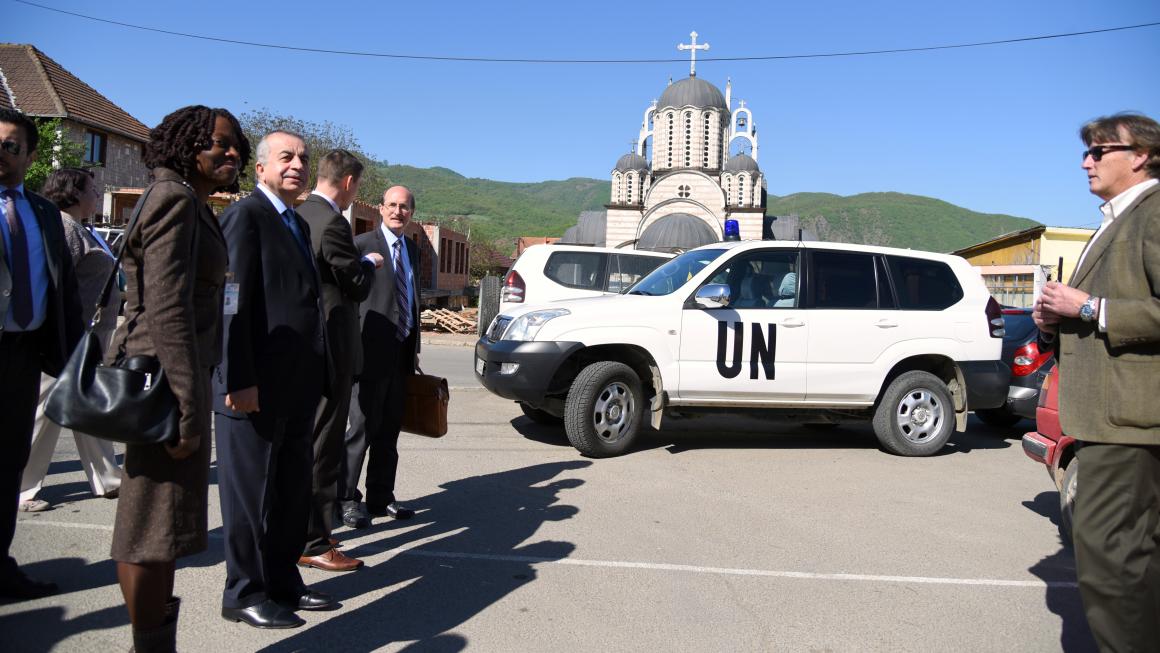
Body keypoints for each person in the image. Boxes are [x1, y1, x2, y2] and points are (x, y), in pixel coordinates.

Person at [108, 105, 244, 653]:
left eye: (236, 145)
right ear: (188, 145)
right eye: (220, 144)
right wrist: (188, 405)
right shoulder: (173, 199)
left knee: (160, 528)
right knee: (149, 528)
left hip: (174, 379)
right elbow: (166, 310)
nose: (231, 153)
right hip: (163, 384)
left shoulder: (187, 199)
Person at [1033, 112, 1160, 652]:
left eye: (1099, 151)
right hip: (1110, 419)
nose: (1086, 161)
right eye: (1086, 152)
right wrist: (1055, 321)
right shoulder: (1115, 219)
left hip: (1128, 422)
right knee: (1132, 557)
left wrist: (1087, 306)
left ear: (1140, 156)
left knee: (1111, 562)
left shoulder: (1152, 215)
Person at [214, 130, 333, 629]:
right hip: (254, 388)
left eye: (304, 158)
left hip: (296, 387)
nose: (298, 165)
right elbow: (232, 303)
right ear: (260, 167)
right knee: (250, 498)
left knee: (288, 492)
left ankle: (283, 581)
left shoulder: (296, 224)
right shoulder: (247, 216)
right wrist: (238, 378)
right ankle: (243, 592)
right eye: (286, 157)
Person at [0, 107, 83, 601]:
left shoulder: (44, 213)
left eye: (11, 146)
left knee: (9, 461)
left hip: (23, 355)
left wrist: (72, 359)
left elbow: (62, 288)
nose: (1, 153)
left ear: (30, 156)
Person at [297, 149, 382, 572]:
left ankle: (309, 529)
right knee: (323, 445)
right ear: (348, 182)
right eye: (357, 187)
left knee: (312, 441)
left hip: (310, 347)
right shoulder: (330, 222)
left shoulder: (299, 215)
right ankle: (314, 539)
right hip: (332, 350)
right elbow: (355, 286)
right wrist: (368, 262)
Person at [19, 168, 122, 513]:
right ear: (74, 193)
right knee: (44, 411)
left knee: (90, 407)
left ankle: (108, 478)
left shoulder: (81, 228)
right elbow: (52, 283)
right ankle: (20, 488)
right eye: (92, 189)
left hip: (87, 337)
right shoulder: (63, 228)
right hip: (66, 338)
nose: (97, 194)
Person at [340, 185, 421, 528]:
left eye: (404, 207)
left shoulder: (414, 250)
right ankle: (345, 499)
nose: (398, 211)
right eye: (392, 205)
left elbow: (413, 300)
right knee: (359, 431)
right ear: (380, 209)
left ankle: (380, 498)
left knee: (389, 433)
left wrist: (413, 351)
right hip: (369, 357)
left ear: (411, 213)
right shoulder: (361, 246)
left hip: (401, 356)